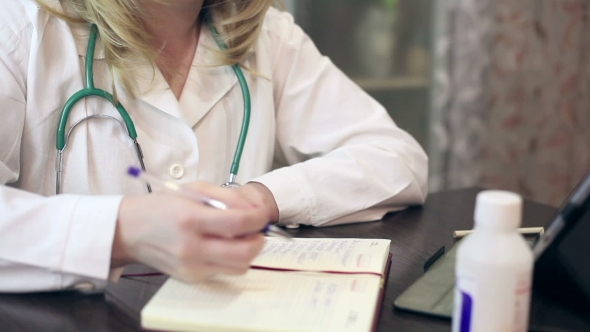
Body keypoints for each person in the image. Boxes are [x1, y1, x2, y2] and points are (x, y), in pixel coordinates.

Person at [0, 0, 428, 292]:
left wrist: (260, 198)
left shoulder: (269, 37)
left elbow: (397, 157)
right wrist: (120, 231)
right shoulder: (19, 26)